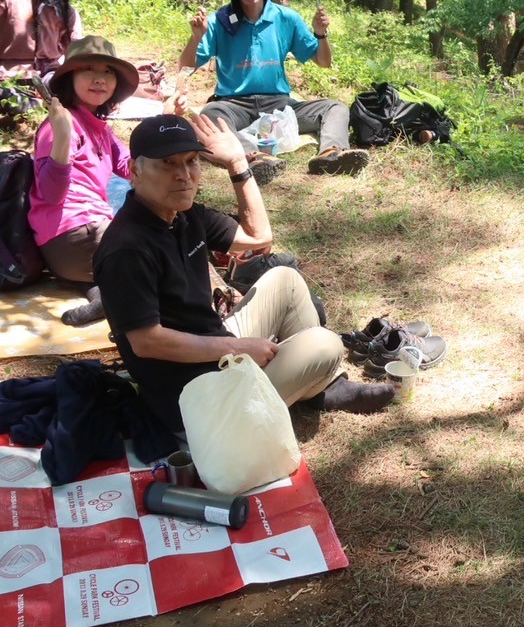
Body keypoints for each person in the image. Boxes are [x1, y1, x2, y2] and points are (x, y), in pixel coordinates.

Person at [93, 113, 395, 435]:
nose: (183, 175)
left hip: (214, 348)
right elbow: (147, 343)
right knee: (325, 344)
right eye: (167, 163)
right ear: (134, 171)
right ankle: (290, 390)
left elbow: (259, 238)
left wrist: (238, 163)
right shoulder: (126, 248)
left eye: (192, 161)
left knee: (285, 280)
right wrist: (238, 348)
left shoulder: (184, 214)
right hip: (194, 398)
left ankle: (323, 387)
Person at [179, 0, 371, 179]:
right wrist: (196, 37)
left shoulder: (286, 18)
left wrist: (321, 34)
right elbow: (186, 66)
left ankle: (330, 154)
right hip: (233, 105)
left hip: (279, 105)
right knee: (209, 114)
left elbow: (323, 62)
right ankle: (254, 157)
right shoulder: (218, 21)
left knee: (334, 107)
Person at [28, 36, 139, 328]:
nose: (99, 79)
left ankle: (102, 296)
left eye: (108, 72)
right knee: (160, 252)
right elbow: (52, 195)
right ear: (70, 78)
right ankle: (119, 296)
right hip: (77, 234)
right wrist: (63, 137)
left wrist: (166, 126)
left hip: (72, 257)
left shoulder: (99, 128)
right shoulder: (58, 126)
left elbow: (132, 169)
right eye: (89, 69)